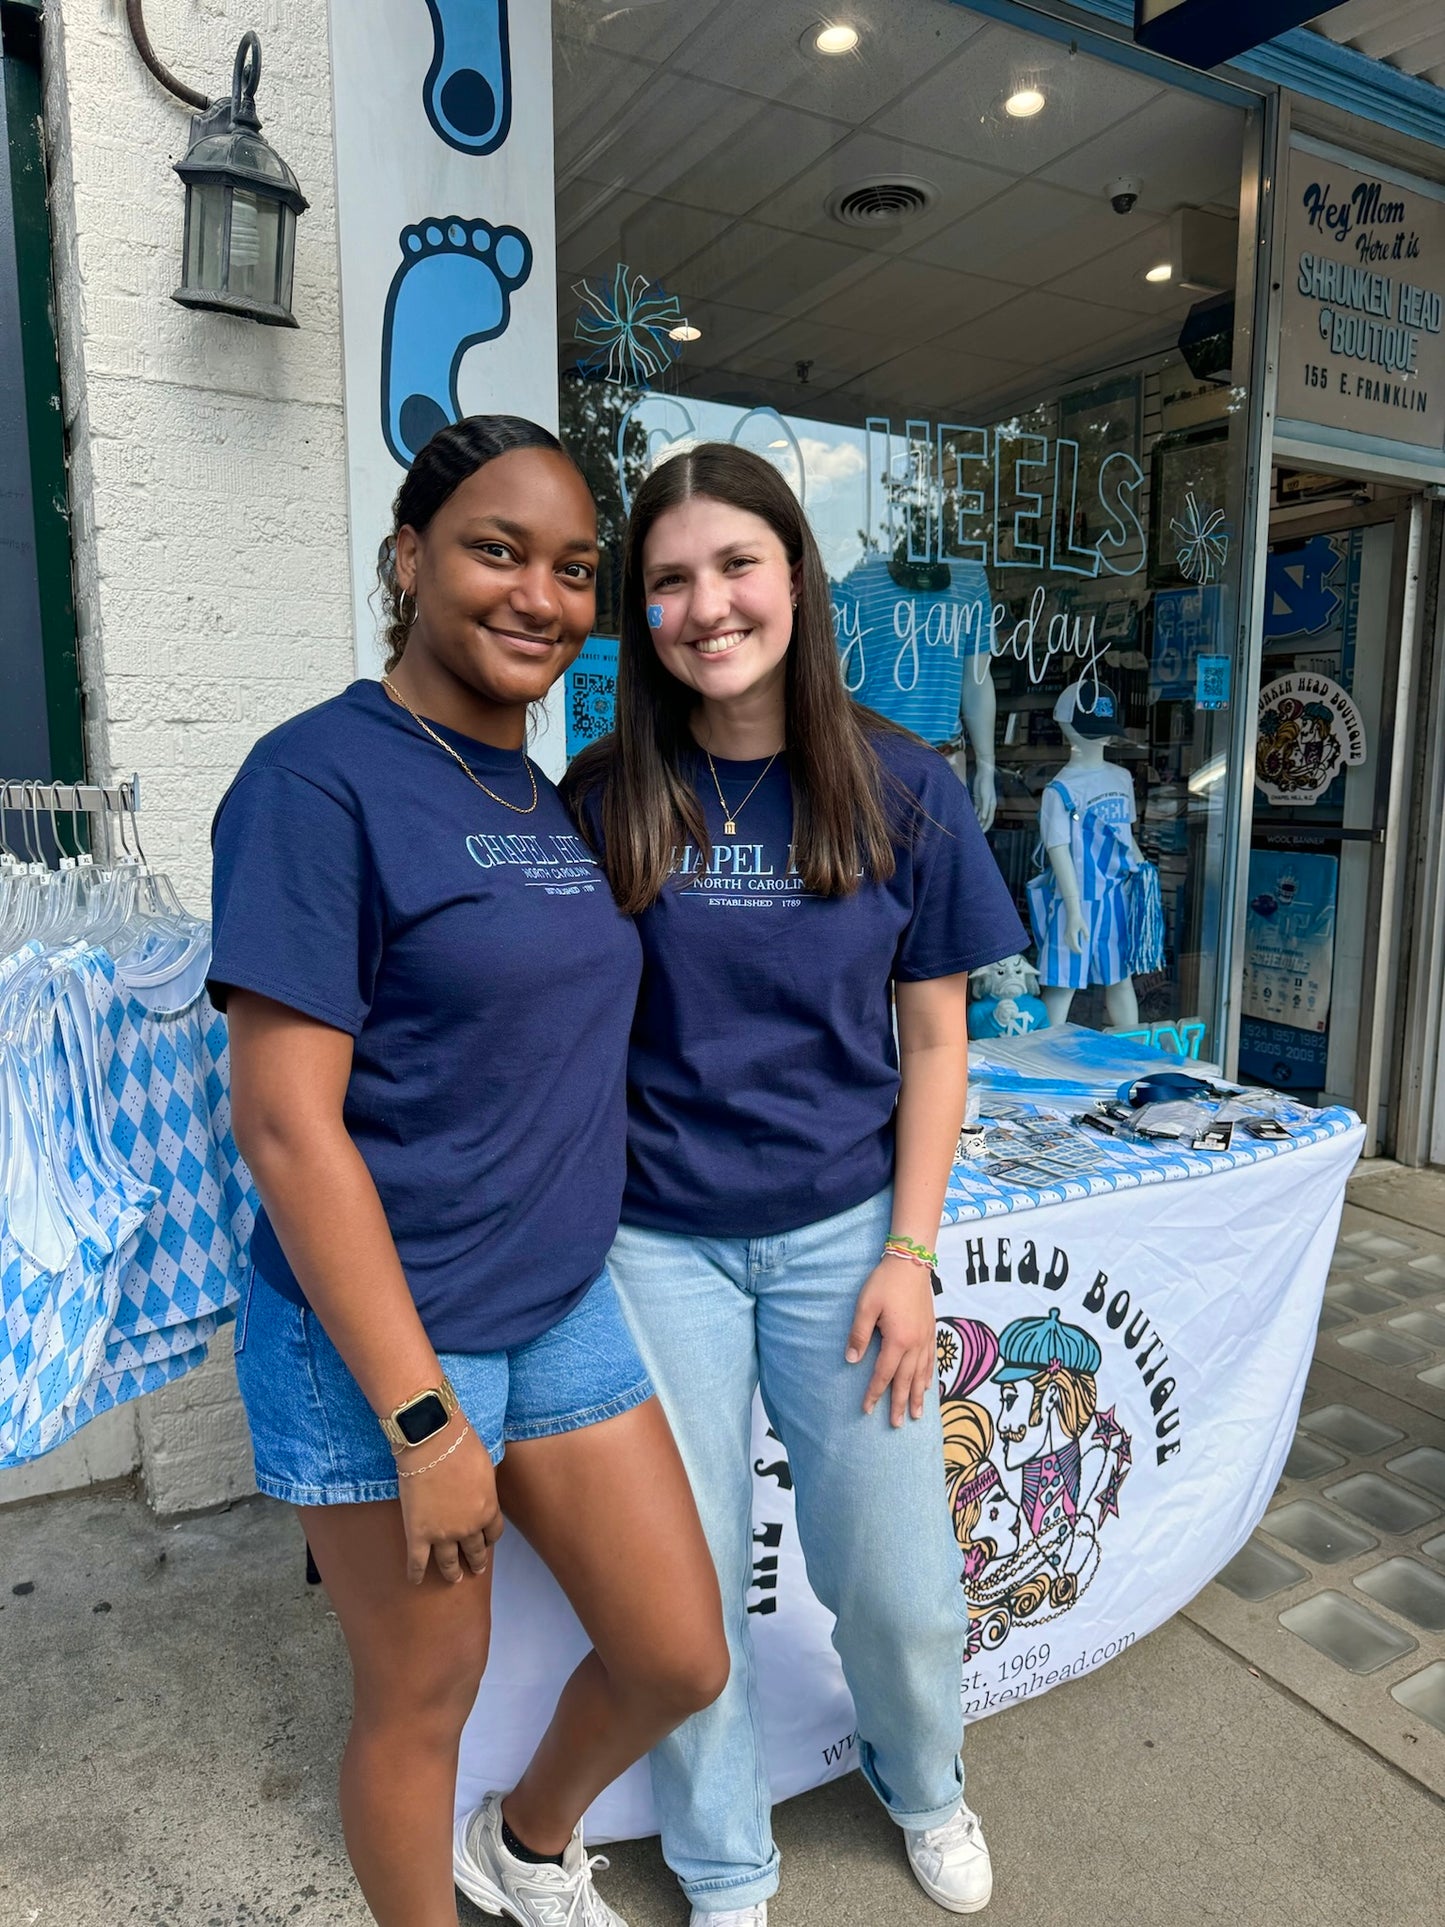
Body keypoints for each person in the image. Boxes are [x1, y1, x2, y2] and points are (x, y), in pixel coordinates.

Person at [209, 416, 728, 1927]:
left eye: (575, 570)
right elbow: (288, 1126)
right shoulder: (316, 782)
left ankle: (528, 1842)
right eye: (498, 551)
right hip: (385, 1340)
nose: (540, 596)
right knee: (419, 1698)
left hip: (550, 1309)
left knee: (676, 1652)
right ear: (409, 558)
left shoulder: (539, 790)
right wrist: (426, 1424)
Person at [565, 442, 1027, 1923]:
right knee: (681, 1585)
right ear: (641, 614)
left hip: (843, 1239)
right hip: (655, 1250)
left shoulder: (904, 782)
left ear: (794, 576)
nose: (708, 605)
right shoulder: (600, 795)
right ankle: (720, 1862)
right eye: (670, 580)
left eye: (735, 565)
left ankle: (924, 1781)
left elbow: (936, 1038)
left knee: (891, 1578)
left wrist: (909, 1251)